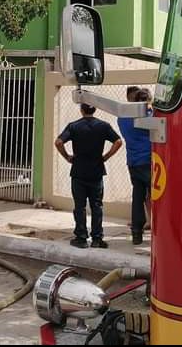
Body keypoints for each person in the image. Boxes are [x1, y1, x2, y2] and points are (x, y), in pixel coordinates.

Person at [55, 104, 123, 249]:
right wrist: (106, 157)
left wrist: (67, 156)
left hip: (78, 171)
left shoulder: (73, 126)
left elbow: (59, 142)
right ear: (95, 110)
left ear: (81, 110)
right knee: (97, 206)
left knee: (80, 206)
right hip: (97, 171)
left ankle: (81, 238)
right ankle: (97, 238)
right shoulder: (103, 126)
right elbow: (118, 141)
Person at [117, 87, 153, 245]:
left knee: (137, 198)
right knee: (157, 197)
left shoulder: (122, 118)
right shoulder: (148, 117)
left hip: (133, 163)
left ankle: (136, 234)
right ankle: (159, 230)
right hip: (149, 162)